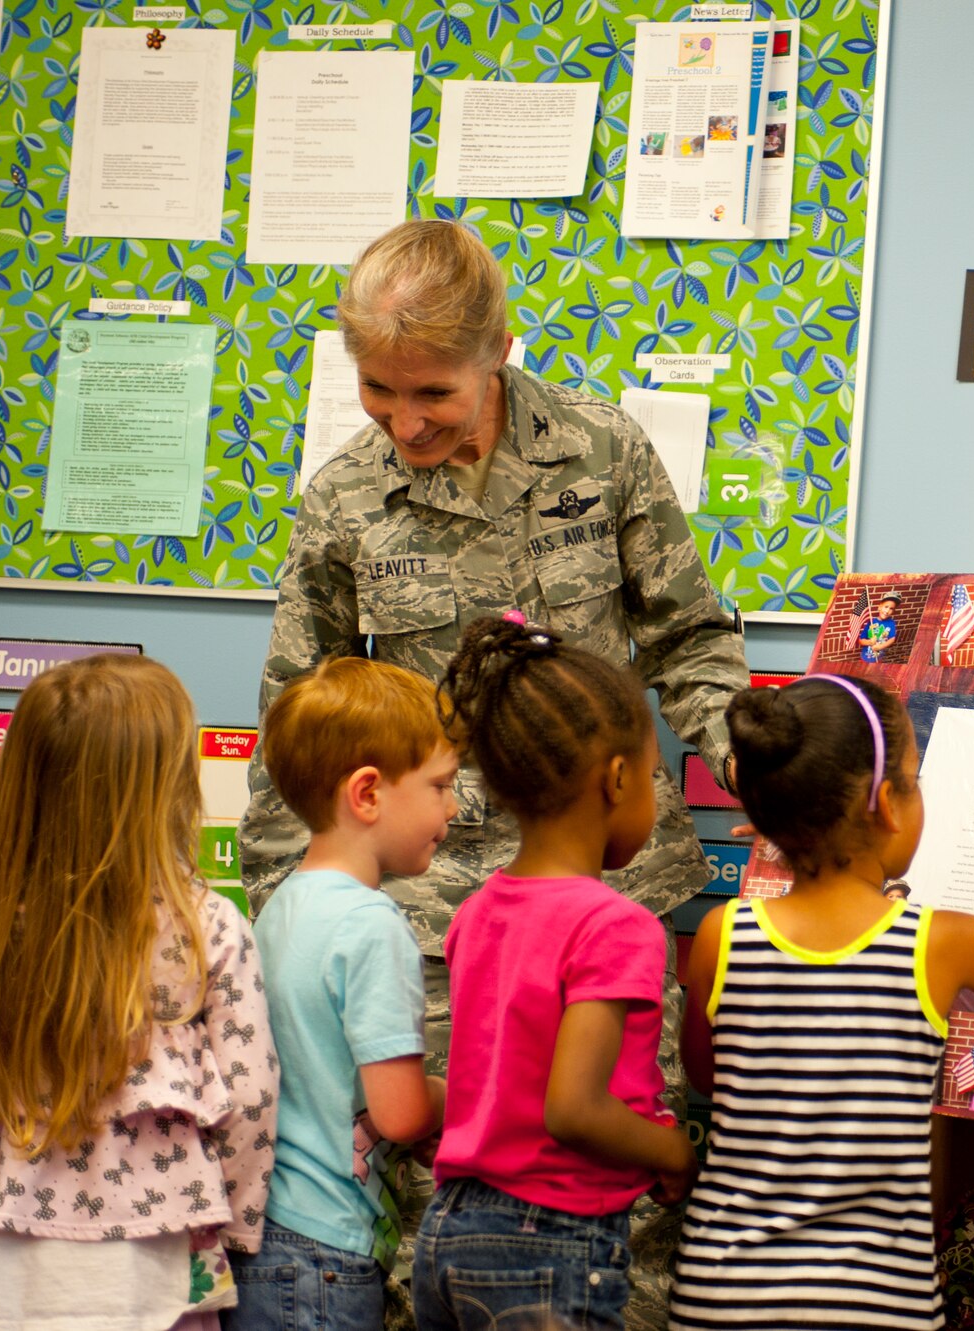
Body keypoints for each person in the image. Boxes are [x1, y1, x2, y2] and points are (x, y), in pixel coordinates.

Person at [238, 219, 746, 1326]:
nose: (405, 421)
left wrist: (760, 767)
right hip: (429, 920)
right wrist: (286, 906)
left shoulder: (604, 453)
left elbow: (689, 641)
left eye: (432, 393)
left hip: (610, 895)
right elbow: (297, 720)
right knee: (438, 1217)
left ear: (497, 350)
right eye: (378, 390)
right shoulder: (344, 501)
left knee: (624, 1203)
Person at [671, 674, 974, 1330]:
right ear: (888, 805)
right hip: (874, 1302)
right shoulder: (939, 942)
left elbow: (709, 1076)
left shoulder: (720, 936)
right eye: (915, 776)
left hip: (721, 1290)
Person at [0, 655, 276, 1329]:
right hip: (139, 1279)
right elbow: (249, 1101)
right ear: (167, 790)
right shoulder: (206, 926)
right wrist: (233, 1229)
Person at [415, 616, 698, 1329]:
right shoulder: (616, 925)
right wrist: (672, 1147)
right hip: (550, 1243)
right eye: (655, 772)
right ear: (619, 777)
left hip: (448, 1228)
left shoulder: (477, 911)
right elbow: (573, 1109)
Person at [228, 659, 455, 1330]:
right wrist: (451, 1094)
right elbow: (402, 1114)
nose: (454, 807)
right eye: (440, 785)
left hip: (267, 1240)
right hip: (325, 1256)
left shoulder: (281, 905)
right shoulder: (371, 922)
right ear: (367, 793)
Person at [859, 590, 901, 662]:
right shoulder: (871, 622)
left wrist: (881, 646)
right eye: (886, 607)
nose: (887, 611)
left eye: (891, 609)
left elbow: (892, 639)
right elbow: (861, 640)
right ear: (879, 607)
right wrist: (869, 642)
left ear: (893, 611)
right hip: (865, 658)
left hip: (879, 658)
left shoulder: (891, 623)